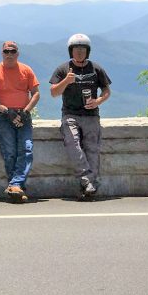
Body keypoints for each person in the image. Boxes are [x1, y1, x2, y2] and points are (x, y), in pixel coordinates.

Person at [50, 33, 111, 200]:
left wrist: (98, 101)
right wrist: (66, 81)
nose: (79, 52)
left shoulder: (96, 68)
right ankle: (87, 180)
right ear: (70, 51)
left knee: (93, 149)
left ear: (88, 51)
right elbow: (53, 92)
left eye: (82, 49)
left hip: (92, 114)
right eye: (76, 49)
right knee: (72, 144)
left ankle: (88, 186)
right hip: (70, 114)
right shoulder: (63, 69)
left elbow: (106, 90)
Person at [0, 41, 40, 202]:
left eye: (12, 51)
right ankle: (17, 187)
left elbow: (36, 93)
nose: (9, 54)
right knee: (10, 153)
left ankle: (15, 185)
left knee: (26, 149)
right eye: (6, 51)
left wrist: (25, 111)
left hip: (23, 114)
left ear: (17, 53)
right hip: (3, 116)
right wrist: (6, 111)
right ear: (2, 53)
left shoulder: (26, 70)